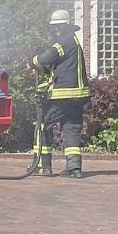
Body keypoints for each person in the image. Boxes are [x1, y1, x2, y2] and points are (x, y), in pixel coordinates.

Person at [29, 9, 90, 178]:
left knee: (43, 125)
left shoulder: (64, 42)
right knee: (71, 127)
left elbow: (47, 57)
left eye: (59, 26)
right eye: (55, 27)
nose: (56, 30)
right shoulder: (74, 42)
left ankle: (43, 165)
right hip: (78, 95)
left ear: (66, 26)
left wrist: (33, 62)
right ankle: (74, 168)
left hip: (64, 94)